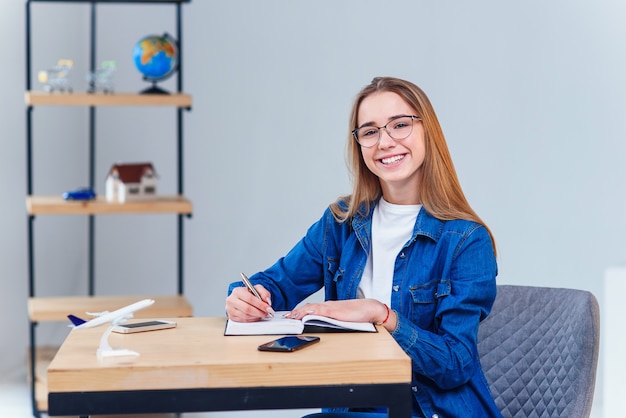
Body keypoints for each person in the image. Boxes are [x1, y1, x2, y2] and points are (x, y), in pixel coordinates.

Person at [225, 76, 502, 418]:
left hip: (427, 410)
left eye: (400, 125)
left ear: (427, 131)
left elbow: (456, 363)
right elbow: (276, 285)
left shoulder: (465, 240)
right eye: (370, 131)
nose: (385, 142)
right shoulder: (341, 222)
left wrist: (382, 315)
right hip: (352, 406)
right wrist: (244, 297)